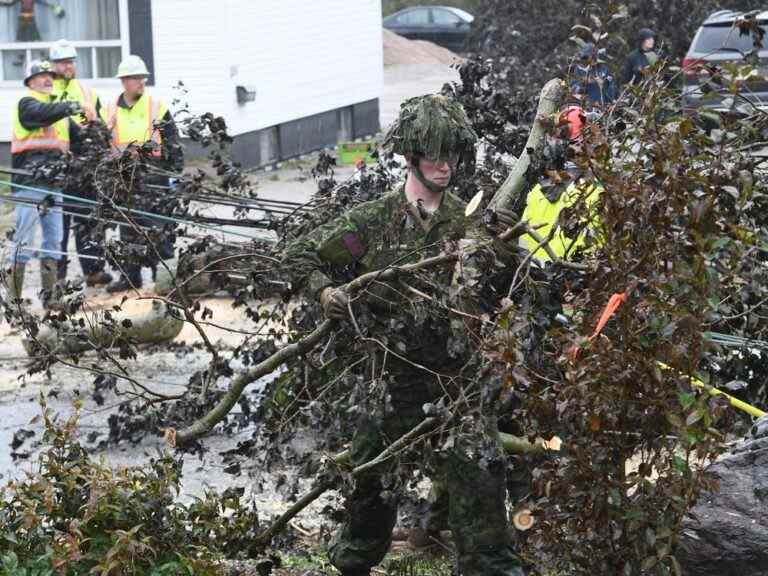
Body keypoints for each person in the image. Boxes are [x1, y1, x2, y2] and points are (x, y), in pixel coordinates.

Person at [283, 94, 525, 576]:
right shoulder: (372, 222)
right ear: (410, 155)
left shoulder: (471, 221)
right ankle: (352, 563)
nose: (445, 164)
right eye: (435, 153)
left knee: (481, 483)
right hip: (390, 383)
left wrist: (507, 263)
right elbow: (300, 257)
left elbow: (507, 289)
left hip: (457, 382)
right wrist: (326, 293)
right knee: (369, 490)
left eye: (452, 153)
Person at [6, 59, 91, 309]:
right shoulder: (28, 104)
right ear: (30, 82)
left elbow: (83, 140)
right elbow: (40, 116)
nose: (47, 79)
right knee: (24, 240)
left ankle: (51, 298)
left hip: (55, 184)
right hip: (29, 184)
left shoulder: (60, 113)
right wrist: (75, 105)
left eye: (50, 76)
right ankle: (14, 301)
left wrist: (98, 131)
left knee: (54, 240)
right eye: (41, 76)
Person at [105, 55, 184, 294]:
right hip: (125, 176)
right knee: (128, 227)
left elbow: (172, 142)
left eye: (142, 78)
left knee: (158, 229)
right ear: (124, 81)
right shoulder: (109, 109)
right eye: (136, 78)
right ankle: (130, 277)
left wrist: (175, 173)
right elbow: (98, 138)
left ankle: (166, 279)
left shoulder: (156, 107)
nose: (141, 82)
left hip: (153, 175)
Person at [50, 39, 113, 287]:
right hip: (58, 164)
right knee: (59, 224)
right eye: (63, 62)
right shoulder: (47, 91)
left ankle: (94, 271)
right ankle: (58, 275)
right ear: (54, 65)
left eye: (71, 62)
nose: (68, 66)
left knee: (89, 219)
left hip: (85, 165)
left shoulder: (87, 92)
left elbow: (98, 127)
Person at [572, 43, 617, 107]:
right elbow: (574, 89)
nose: (587, 60)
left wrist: (610, 102)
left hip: (603, 107)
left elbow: (612, 88)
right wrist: (582, 83)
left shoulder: (604, 69)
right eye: (584, 58)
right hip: (587, 106)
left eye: (589, 57)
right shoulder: (579, 69)